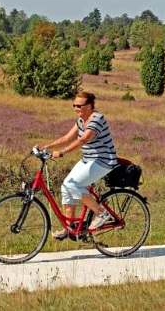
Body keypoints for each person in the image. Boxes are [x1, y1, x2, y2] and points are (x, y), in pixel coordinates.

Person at [39, 91, 119, 239]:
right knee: (66, 186)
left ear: (89, 106)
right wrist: (46, 147)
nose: (76, 108)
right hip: (88, 159)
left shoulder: (97, 119)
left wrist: (62, 153)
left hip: (103, 160)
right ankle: (69, 228)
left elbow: (83, 140)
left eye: (79, 106)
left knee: (73, 185)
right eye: (74, 105)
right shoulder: (81, 121)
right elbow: (66, 138)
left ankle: (101, 213)